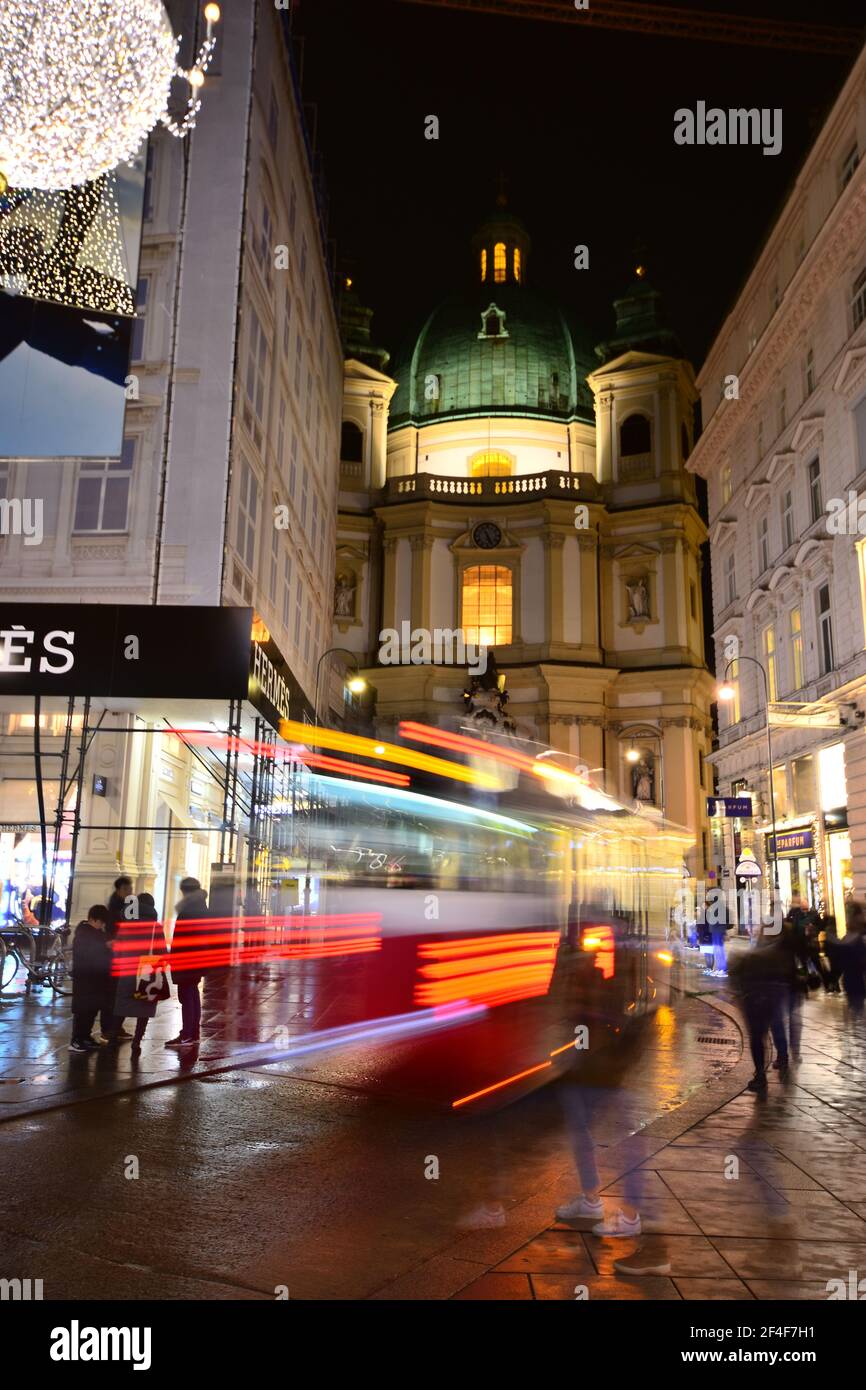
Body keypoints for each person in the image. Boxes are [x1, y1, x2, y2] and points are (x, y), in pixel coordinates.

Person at [729, 928, 792, 1091]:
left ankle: (760, 1076)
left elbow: (737, 971)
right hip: (773, 994)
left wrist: (739, 994)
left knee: (757, 1037)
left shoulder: (760, 950)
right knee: (775, 1025)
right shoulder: (781, 950)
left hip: (756, 996)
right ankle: (782, 1057)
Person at [112, 893, 164, 1054]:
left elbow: (117, 950)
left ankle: (112, 1038)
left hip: (126, 971)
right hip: (147, 973)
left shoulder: (126, 925)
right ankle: (137, 1041)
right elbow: (162, 953)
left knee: (121, 1007)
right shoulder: (156, 927)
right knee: (144, 1009)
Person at [166, 877, 209, 1046]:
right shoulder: (200, 906)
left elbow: (185, 937)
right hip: (195, 959)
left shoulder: (190, 909)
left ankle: (187, 1034)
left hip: (187, 959)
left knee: (187, 995)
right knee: (192, 994)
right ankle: (192, 1032)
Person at [69, 906, 113, 1052]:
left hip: (96, 979)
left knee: (91, 1011)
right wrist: (105, 946)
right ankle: (77, 1040)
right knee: (83, 1012)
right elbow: (87, 953)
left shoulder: (96, 933)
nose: (102, 925)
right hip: (85, 979)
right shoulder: (84, 933)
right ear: (93, 919)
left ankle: (85, 1037)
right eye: (100, 922)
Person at [839, 903, 866, 1017]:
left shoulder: (849, 936)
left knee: (857, 1010)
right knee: (857, 1008)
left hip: (852, 979)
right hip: (856, 978)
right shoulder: (856, 935)